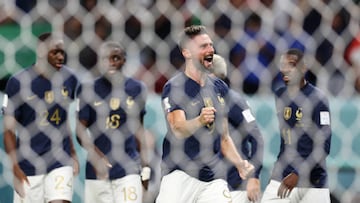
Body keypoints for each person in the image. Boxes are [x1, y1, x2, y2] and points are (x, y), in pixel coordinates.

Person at [156, 25, 254, 203]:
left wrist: (239, 163)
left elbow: (224, 137)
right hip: (180, 174)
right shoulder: (175, 86)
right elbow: (177, 128)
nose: (210, 49)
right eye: (203, 46)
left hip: (212, 177)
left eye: (210, 45)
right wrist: (199, 120)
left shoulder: (219, 87)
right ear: (187, 52)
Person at [2, 32, 79, 203]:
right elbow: (8, 130)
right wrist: (15, 167)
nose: (60, 57)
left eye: (62, 53)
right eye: (55, 52)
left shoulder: (69, 79)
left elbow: (63, 118)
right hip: (29, 164)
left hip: (60, 159)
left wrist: (73, 152)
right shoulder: (18, 82)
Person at [76, 41, 150, 203]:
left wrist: (145, 168)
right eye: (105, 59)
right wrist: (97, 156)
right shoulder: (87, 89)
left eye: (115, 58)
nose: (111, 63)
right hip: (97, 171)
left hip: (129, 167)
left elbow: (140, 131)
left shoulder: (137, 88)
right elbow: (80, 131)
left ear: (124, 60)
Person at [261, 48, 332, 203]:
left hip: (314, 180)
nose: (285, 69)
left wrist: (298, 173)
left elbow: (324, 146)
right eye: (283, 65)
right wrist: (275, 175)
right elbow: (285, 141)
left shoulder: (318, 99)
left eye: (291, 64)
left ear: (303, 68)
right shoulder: (280, 95)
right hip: (283, 175)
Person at [211, 54, 264, 203]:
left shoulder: (233, 100)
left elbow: (257, 138)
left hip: (235, 184)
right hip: (212, 183)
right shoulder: (204, 100)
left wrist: (254, 177)